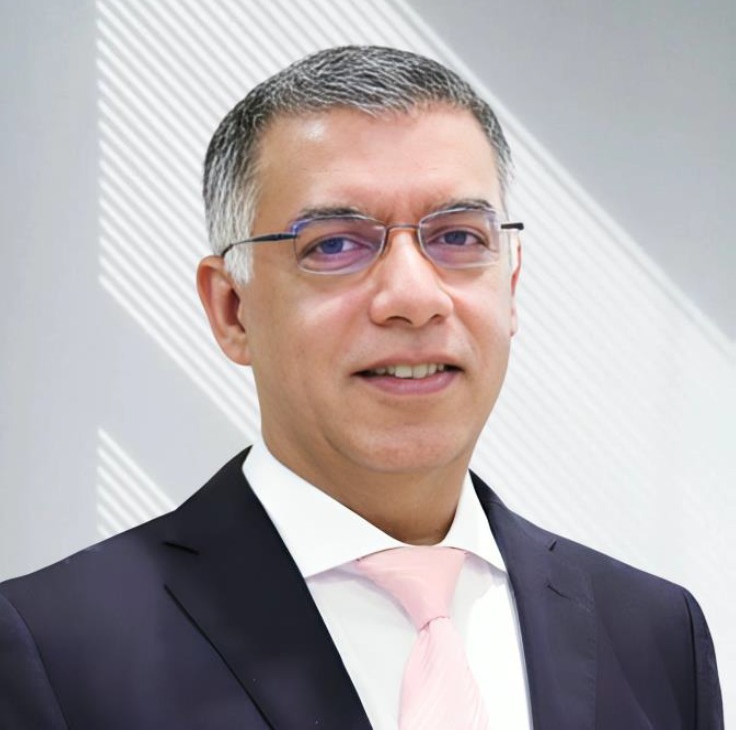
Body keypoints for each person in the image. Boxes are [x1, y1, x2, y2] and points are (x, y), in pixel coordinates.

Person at [0, 46, 723, 729]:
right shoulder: (58, 651)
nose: (413, 297)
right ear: (232, 309)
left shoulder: (655, 636)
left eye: (459, 237)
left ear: (511, 284)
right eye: (335, 244)